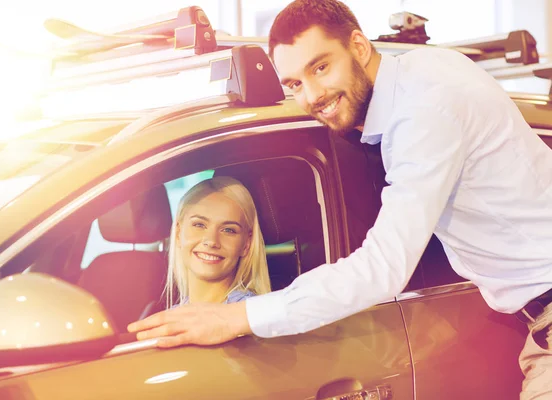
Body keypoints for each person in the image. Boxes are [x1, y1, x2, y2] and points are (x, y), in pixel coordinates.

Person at [128, 1, 552, 397]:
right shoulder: (423, 73)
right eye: (295, 82)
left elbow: (383, 269)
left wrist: (236, 317)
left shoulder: (423, 112)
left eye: (321, 67)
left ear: (359, 45)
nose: (311, 96)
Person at [162, 176, 271, 308]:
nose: (212, 241)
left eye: (228, 230)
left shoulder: (253, 315)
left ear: (246, 243)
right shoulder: (171, 316)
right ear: (178, 233)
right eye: (199, 225)